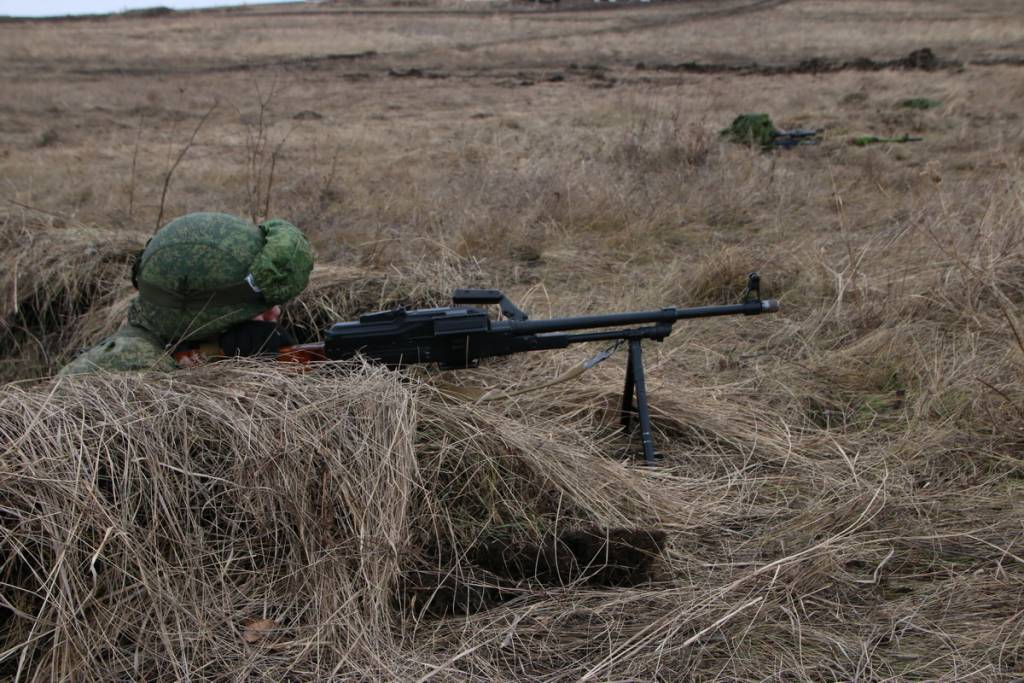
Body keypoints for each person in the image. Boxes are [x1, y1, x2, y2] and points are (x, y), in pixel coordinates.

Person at [59, 212, 314, 375]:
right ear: (202, 316)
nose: (275, 312)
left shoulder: (162, 349)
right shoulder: (134, 373)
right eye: (256, 306)